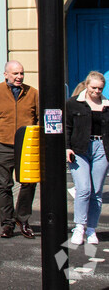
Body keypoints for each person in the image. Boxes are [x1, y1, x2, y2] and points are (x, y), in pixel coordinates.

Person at [0, 60, 40, 239]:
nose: (19, 77)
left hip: (26, 146)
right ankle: (7, 224)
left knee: (29, 183)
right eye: (15, 74)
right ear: (6, 74)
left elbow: (39, 118)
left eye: (21, 73)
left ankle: (22, 219)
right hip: (2, 146)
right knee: (5, 186)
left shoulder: (33, 93)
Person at [65, 70, 108, 247]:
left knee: (96, 192)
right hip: (79, 149)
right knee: (83, 189)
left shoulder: (106, 105)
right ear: (87, 85)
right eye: (93, 88)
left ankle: (91, 229)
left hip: (101, 148)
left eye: (100, 89)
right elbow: (67, 127)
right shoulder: (73, 103)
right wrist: (67, 147)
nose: (96, 91)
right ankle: (79, 227)